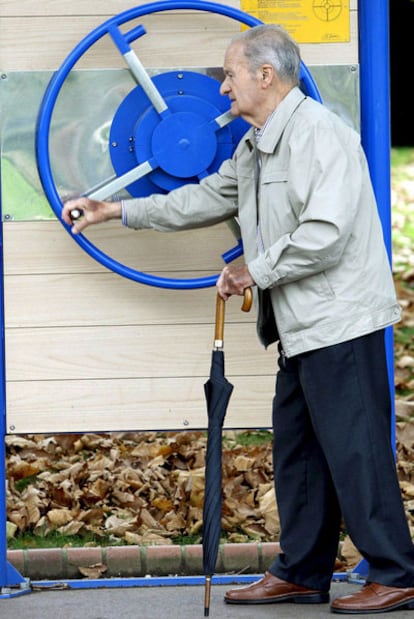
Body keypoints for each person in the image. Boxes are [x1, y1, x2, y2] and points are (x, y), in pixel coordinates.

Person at [62, 24, 414, 614]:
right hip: (299, 325)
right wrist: (113, 209)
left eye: (229, 74)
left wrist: (255, 269)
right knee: (298, 453)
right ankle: (302, 572)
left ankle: (397, 572)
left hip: (340, 322)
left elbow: (324, 235)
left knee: (355, 450)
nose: (223, 88)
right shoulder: (258, 144)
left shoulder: (321, 137)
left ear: (265, 76)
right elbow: (201, 198)